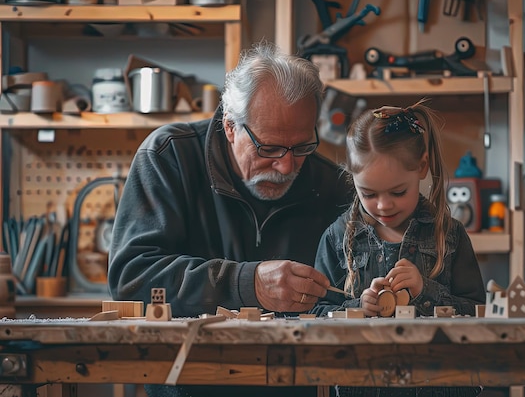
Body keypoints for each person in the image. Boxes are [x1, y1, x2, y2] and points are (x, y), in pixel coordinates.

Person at [107, 41, 351, 397]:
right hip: (190, 384)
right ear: (230, 127)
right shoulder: (169, 157)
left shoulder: (331, 185)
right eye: (268, 149)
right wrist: (246, 284)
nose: (286, 166)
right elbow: (133, 278)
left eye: (301, 148)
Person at [313, 102, 485, 397]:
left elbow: (480, 317)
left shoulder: (450, 235)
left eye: (397, 192)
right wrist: (358, 309)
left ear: (422, 166)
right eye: (368, 193)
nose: (383, 205)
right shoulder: (338, 238)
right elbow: (315, 316)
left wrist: (425, 292)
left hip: (442, 386)